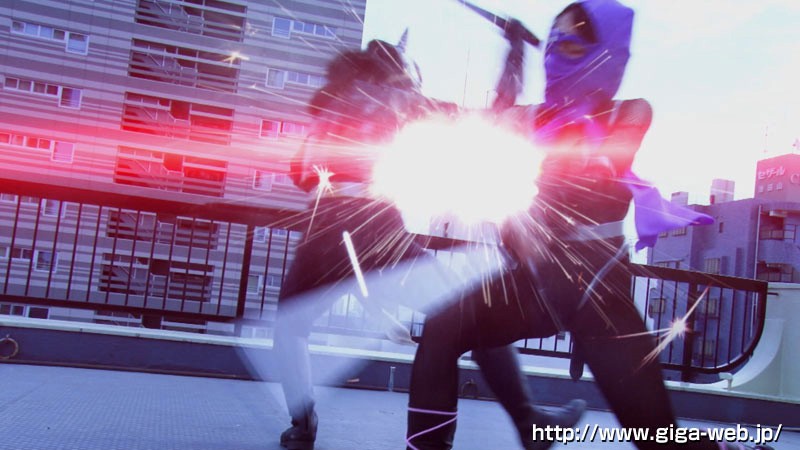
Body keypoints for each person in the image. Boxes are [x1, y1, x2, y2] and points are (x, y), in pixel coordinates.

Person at [405, 1, 774, 450]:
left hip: (597, 294)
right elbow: (495, 115)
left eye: (572, 43)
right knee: (443, 328)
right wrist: (513, 54)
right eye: (552, 42)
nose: (556, 53)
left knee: (656, 438)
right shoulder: (538, 118)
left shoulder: (629, 113)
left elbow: (591, 169)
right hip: (537, 286)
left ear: (607, 53)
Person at [273, 35, 585, 450]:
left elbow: (299, 172)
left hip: (322, 230)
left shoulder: (328, 106)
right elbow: (491, 116)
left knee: (290, 328)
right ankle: (528, 421)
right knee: (468, 313)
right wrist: (513, 55)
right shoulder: (398, 97)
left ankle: (302, 424)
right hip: (370, 229)